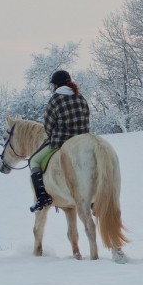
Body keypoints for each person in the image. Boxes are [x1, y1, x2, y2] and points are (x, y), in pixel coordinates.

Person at [28, 70, 90, 213]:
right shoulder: (81, 98)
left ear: (56, 85)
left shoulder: (55, 99)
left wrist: (53, 135)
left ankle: (42, 198)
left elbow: (48, 126)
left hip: (61, 141)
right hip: (82, 141)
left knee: (34, 161)